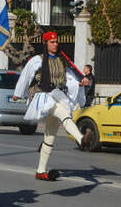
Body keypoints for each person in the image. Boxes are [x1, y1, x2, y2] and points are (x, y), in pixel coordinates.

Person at [12, 31, 92, 181]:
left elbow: (68, 78)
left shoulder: (61, 61)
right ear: (45, 43)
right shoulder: (37, 60)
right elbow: (26, 76)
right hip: (43, 97)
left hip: (57, 95)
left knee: (50, 135)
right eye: (52, 42)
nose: (55, 44)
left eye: (56, 42)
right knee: (64, 114)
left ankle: (41, 171)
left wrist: (80, 82)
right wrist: (18, 93)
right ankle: (81, 139)